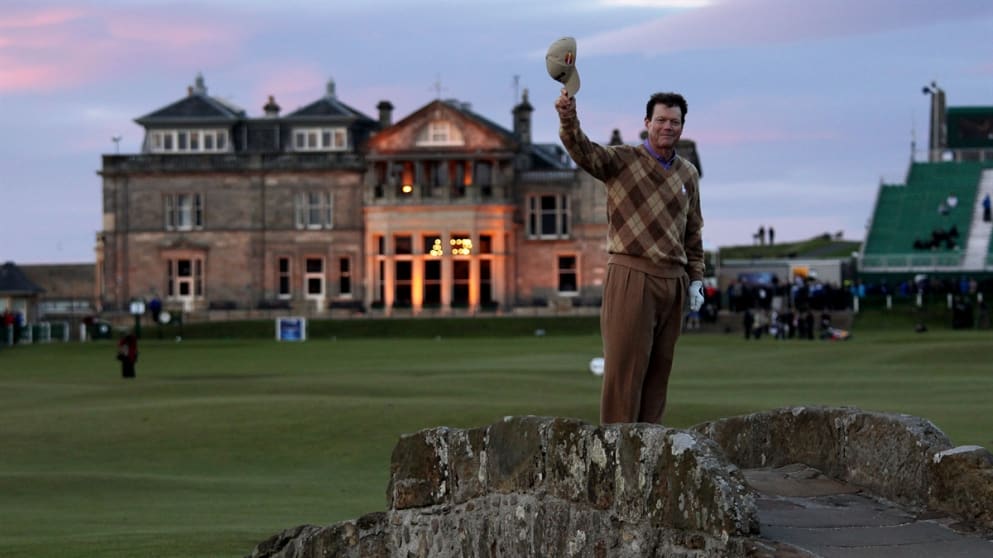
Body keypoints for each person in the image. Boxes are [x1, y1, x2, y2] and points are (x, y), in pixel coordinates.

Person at [556, 88, 704, 424]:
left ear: (682, 126)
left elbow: (692, 233)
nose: (668, 127)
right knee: (625, 375)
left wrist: (696, 279)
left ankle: (648, 457)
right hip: (631, 273)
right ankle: (616, 461)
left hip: (674, 280)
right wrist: (568, 116)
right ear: (647, 122)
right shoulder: (622, 160)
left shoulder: (688, 175)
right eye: (661, 120)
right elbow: (582, 149)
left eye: (675, 122)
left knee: (657, 377)